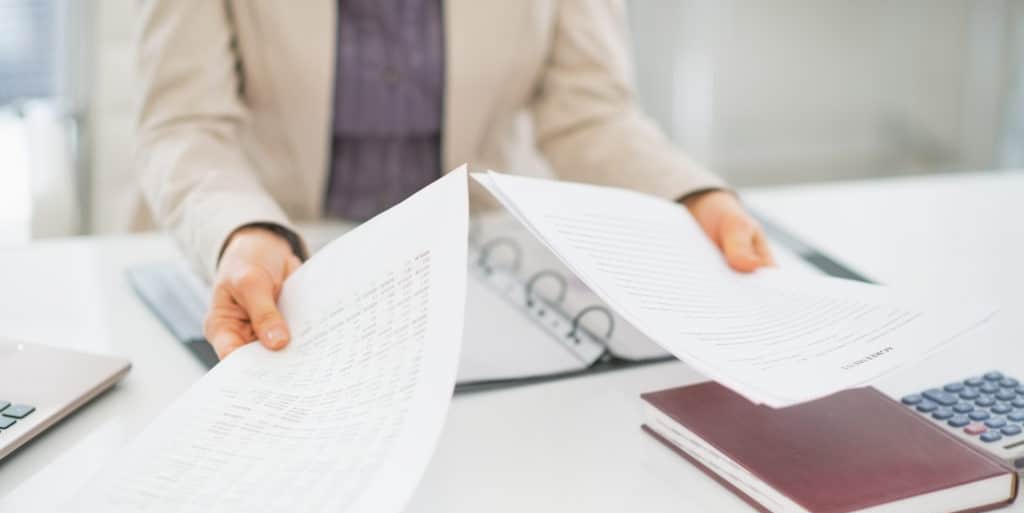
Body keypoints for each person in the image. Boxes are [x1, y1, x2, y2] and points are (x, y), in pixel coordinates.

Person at [135, 0, 774, 360]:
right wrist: (242, 228)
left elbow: (590, 114)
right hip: (290, 260)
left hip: (479, 279)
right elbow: (184, 124)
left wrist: (689, 196)